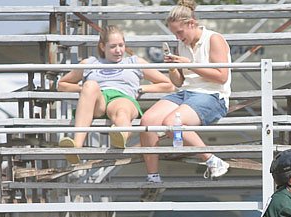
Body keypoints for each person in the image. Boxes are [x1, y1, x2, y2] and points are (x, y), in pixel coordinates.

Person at [140, 0, 232, 186]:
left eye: (179, 32)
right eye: (174, 34)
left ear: (191, 23)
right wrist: (174, 69)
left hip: (213, 95)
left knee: (172, 122)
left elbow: (221, 76)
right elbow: (179, 82)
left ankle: (213, 160)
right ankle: (153, 177)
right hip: (187, 93)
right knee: (147, 121)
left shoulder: (214, 39)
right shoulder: (183, 43)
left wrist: (188, 64)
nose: (177, 38)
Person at [56, 25, 174, 165]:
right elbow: (62, 84)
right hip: (99, 100)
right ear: (102, 47)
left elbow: (168, 85)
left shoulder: (134, 62)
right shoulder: (90, 63)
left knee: (122, 110)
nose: (118, 50)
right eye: (113, 46)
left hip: (123, 97)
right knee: (90, 85)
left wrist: (142, 88)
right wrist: (81, 88)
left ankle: (120, 137)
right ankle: (77, 146)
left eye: (121, 45)